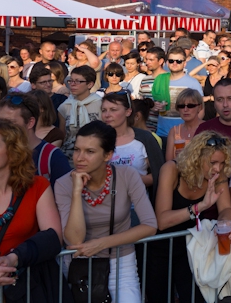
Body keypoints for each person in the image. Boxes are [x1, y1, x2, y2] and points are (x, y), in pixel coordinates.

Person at [54, 121, 158, 302]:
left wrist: (101, 244)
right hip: (79, 267)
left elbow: (150, 225)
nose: (80, 158)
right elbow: (74, 240)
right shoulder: (63, 184)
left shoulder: (127, 175)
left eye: (90, 151)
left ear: (108, 155)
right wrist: (77, 192)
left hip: (121, 262)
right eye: (77, 150)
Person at [0, 119, 64, 302]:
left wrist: (14, 258)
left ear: (13, 153)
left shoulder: (37, 186)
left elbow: (53, 237)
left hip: (24, 291)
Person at [149, 131, 231, 303]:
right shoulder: (172, 170)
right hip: (158, 247)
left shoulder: (217, 175)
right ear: (197, 158)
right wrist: (199, 207)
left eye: (221, 163)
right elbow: (162, 221)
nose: (217, 168)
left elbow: (225, 208)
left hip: (190, 247)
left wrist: (226, 223)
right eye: (212, 163)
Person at [101, 91, 164, 203]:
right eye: (104, 110)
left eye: (113, 110)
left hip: (137, 206)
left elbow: (159, 174)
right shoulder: (97, 139)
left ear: (128, 111)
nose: (107, 115)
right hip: (104, 205)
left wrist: (131, 179)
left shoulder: (145, 138)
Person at [0, 94, 71, 187]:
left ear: (30, 122)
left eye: (10, 123)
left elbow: (65, 194)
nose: (3, 128)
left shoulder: (53, 157)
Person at [151, 47, 204, 141]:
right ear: (167, 63)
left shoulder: (193, 83)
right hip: (162, 132)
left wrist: (193, 130)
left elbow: (201, 109)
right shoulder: (159, 80)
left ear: (184, 63)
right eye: (171, 61)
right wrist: (154, 106)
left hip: (185, 134)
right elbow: (153, 103)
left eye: (178, 61)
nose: (174, 63)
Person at [57, 65, 102, 159]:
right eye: (71, 81)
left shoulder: (101, 104)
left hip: (94, 154)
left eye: (78, 81)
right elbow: (63, 135)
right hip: (69, 155)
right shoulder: (64, 107)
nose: (73, 84)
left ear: (90, 84)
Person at [165, 89, 204, 162]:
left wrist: (187, 155)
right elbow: (169, 162)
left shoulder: (207, 129)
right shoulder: (174, 131)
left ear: (199, 107)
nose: (185, 109)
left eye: (190, 106)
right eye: (181, 106)